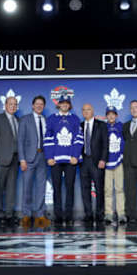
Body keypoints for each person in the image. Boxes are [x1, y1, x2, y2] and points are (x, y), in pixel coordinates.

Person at [44, 95, 83, 226]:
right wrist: (49, 156)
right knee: (57, 188)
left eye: (67, 103)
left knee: (70, 187)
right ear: (58, 104)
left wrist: (75, 156)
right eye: (62, 103)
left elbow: (79, 138)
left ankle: (69, 215)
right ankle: (58, 215)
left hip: (70, 159)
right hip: (55, 160)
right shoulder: (51, 119)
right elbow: (47, 138)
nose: (65, 105)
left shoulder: (75, 119)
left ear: (69, 105)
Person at [18, 96, 50, 228]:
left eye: (41, 104)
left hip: (43, 156)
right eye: (37, 104)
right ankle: (26, 214)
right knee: (27, 187)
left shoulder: (46, 120)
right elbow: (20, 141)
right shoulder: (25, 119)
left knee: (41, 187)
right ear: (32, 105)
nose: (39, 106)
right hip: (29, 158)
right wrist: (22, 159)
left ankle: (40, 215)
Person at [0, 96, 20, 226]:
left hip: (14, 159)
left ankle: (9, 214)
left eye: (15, 104)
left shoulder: (18, 120)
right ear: (5, 105)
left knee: (11, 188)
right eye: (10, 104)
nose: (12, 106)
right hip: (1, 159)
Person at [80, 103, 108, 224]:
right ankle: (88, 214)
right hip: (83, 161)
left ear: (93, 111)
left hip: (97, 161)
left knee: (99, 188)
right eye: (84, 110)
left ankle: (100, 214)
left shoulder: (101, 125)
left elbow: (106, 144)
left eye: (88, 110)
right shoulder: (79, 126)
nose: (86, 112)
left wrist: (103, 159)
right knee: (85, 189)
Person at [104, 106, 127, 225]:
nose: (111, 116)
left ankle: (121, 213)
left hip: (119, 161)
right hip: (107, 162)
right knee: (107, 189)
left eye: (113, 114)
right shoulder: (103, 127)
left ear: (116, 115)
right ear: (106, 116)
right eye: (109, 114)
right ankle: (108, 213)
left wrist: (122, 156)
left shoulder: (121, 126)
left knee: (119, 189)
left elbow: (125, 142)